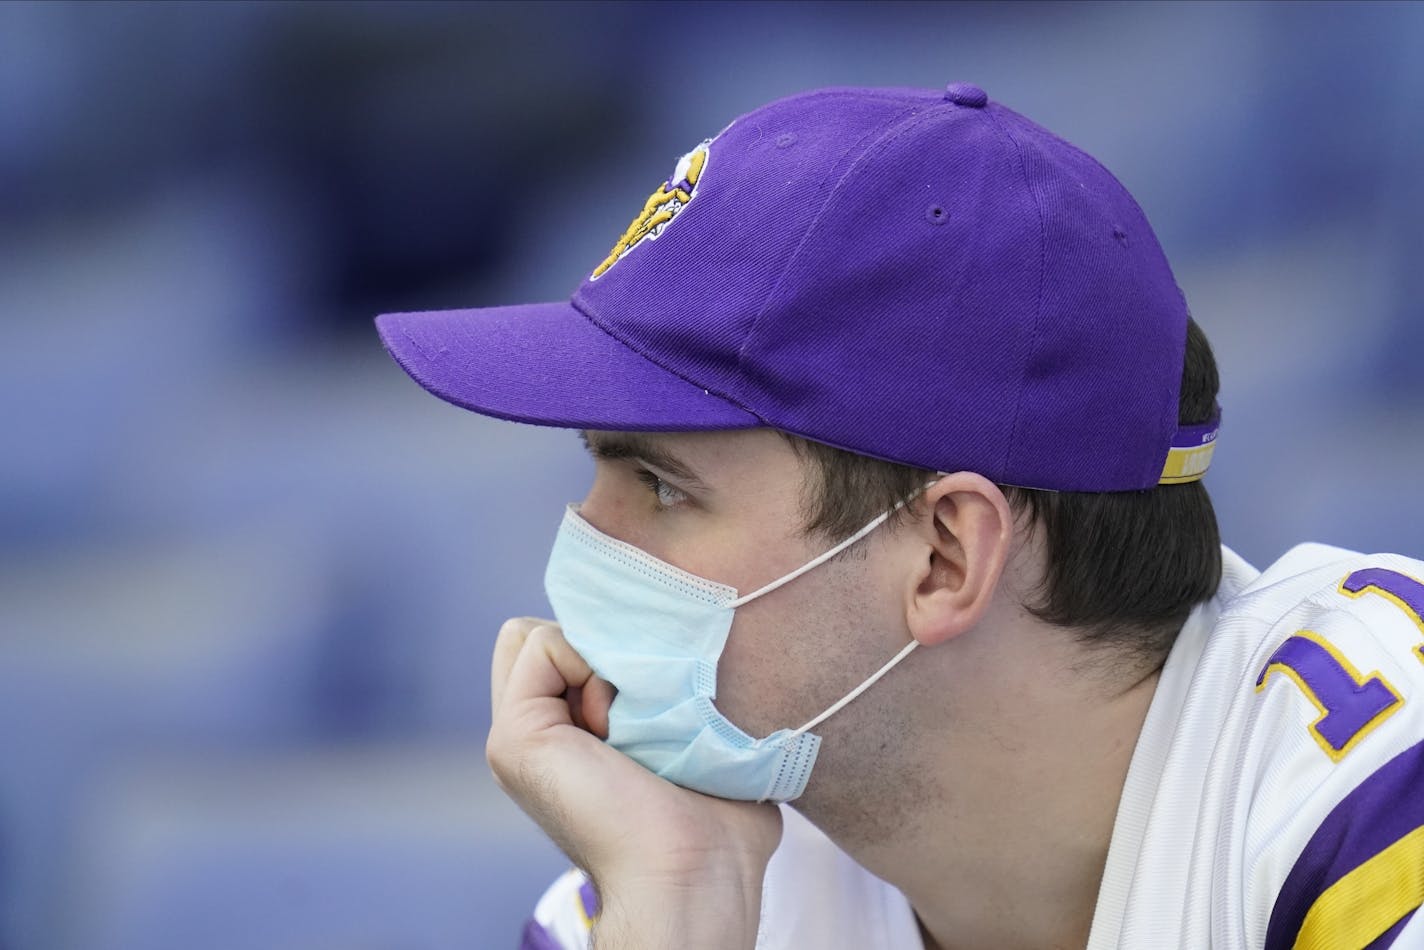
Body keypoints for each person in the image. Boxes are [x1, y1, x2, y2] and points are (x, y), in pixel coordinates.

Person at [375, 83, 1424, 949]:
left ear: (942, 555)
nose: (584, 535)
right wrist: (676, 904)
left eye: (658, 482)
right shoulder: (661, 871)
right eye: (595, 466)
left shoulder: (1367, 785)